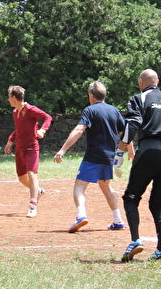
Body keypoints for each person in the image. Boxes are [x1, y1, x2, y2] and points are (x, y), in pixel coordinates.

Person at [116, 69, 161, 262]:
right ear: (157, 82)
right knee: (158, 203)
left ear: (142, 82)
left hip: (149, 150)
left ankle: (135, 241)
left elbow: (132, 124)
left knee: (131, 198)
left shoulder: (139, 98)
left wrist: (121, 149)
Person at [53, 81, 128, 233]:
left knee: (79, 186)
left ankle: (81, 216)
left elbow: (79, 129)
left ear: (91, 96)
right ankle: (118, 220)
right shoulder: (114, 111)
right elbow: (126, 133)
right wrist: (130, 152)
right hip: (108, 157)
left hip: (94, 155)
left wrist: (63, 149)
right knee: (106, 187)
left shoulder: (90, 110)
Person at [3, 85, 52, 218]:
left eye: (9, 96)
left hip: (32, 148)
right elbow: (18, 129)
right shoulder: (15, 112)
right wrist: (10, 141)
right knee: (21, 178)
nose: (8, 99)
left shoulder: (30, 109)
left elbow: (48, 117)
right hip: (20, 148)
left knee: (32, 174)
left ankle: (32, 206)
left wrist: (42, 130)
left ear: (14, 97)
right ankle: (39, 191)